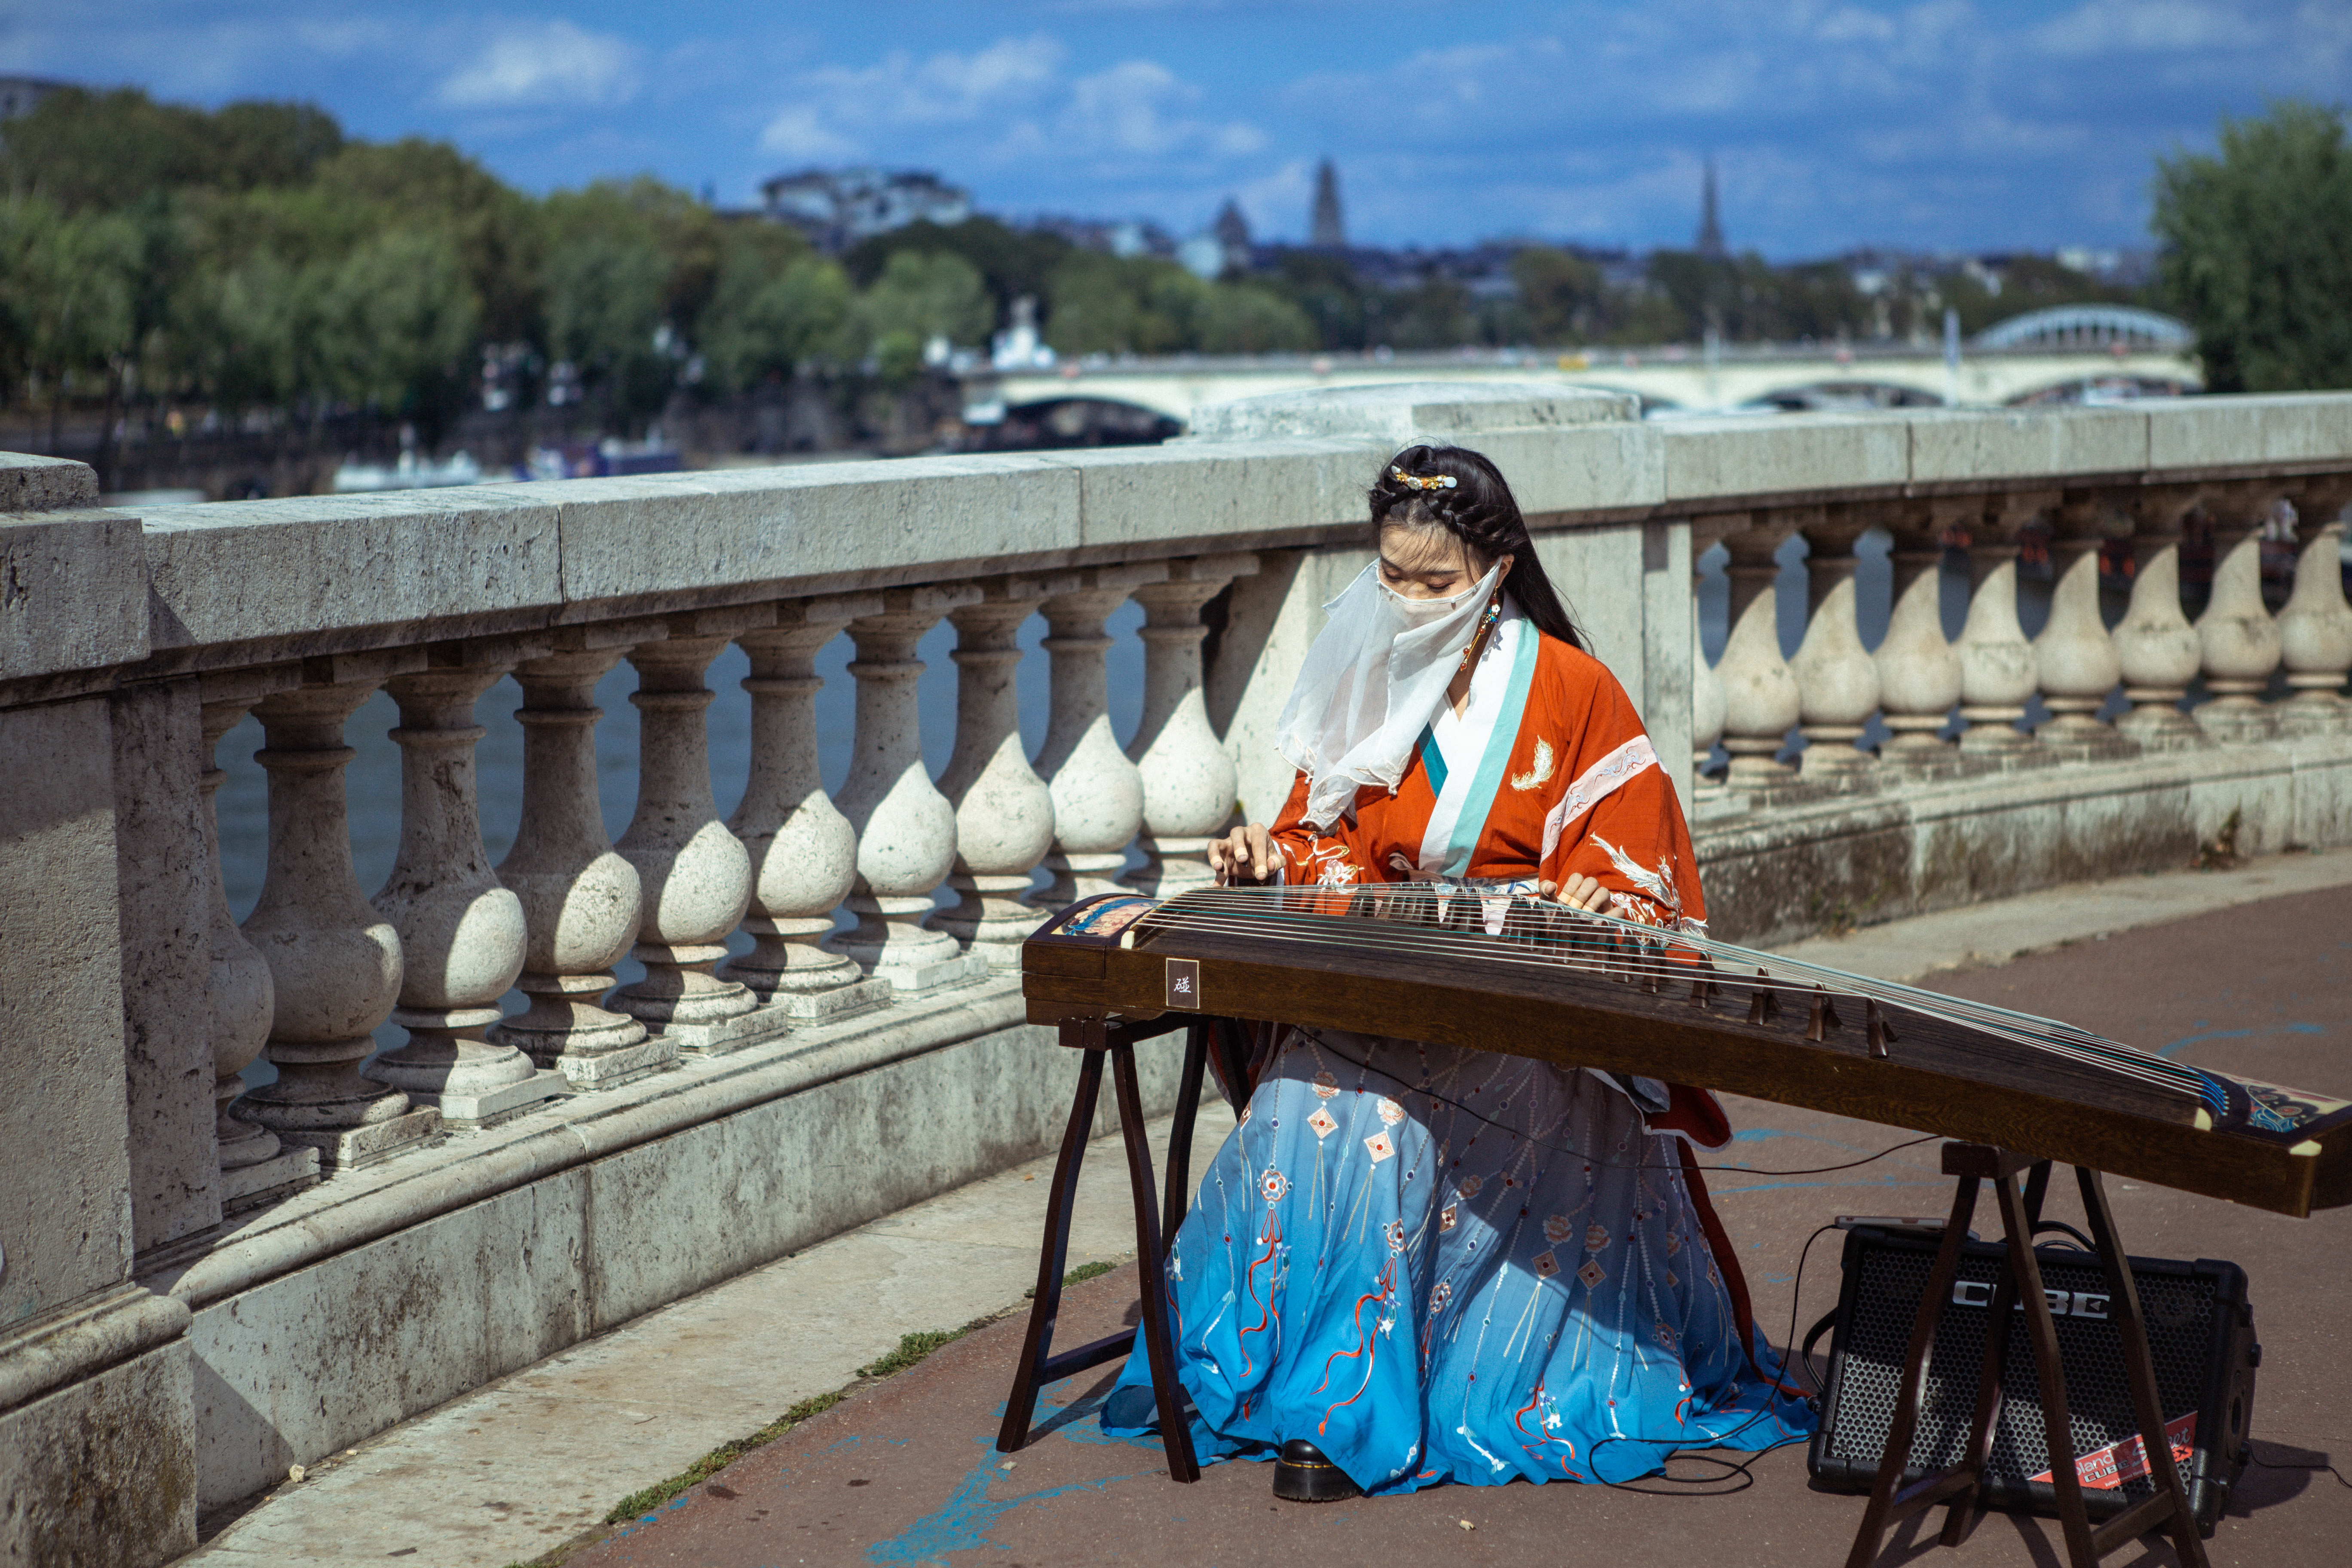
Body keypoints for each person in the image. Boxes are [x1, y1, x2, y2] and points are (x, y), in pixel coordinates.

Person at [1099, 443, 1814, 1498]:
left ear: (1498, 569)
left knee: (1384, 1127)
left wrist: (1598, 903)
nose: (1407, 600)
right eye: (1391, 577)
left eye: (1434, 583)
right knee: (1303, 1099)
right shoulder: (1363, 678)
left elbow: (1637, 868)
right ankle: (1305, 1379)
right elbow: (1322, 845)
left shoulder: (1573, 690)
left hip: (1525, 1015)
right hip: (1393, 979)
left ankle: (1354, 1409)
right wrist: (1275, 857)